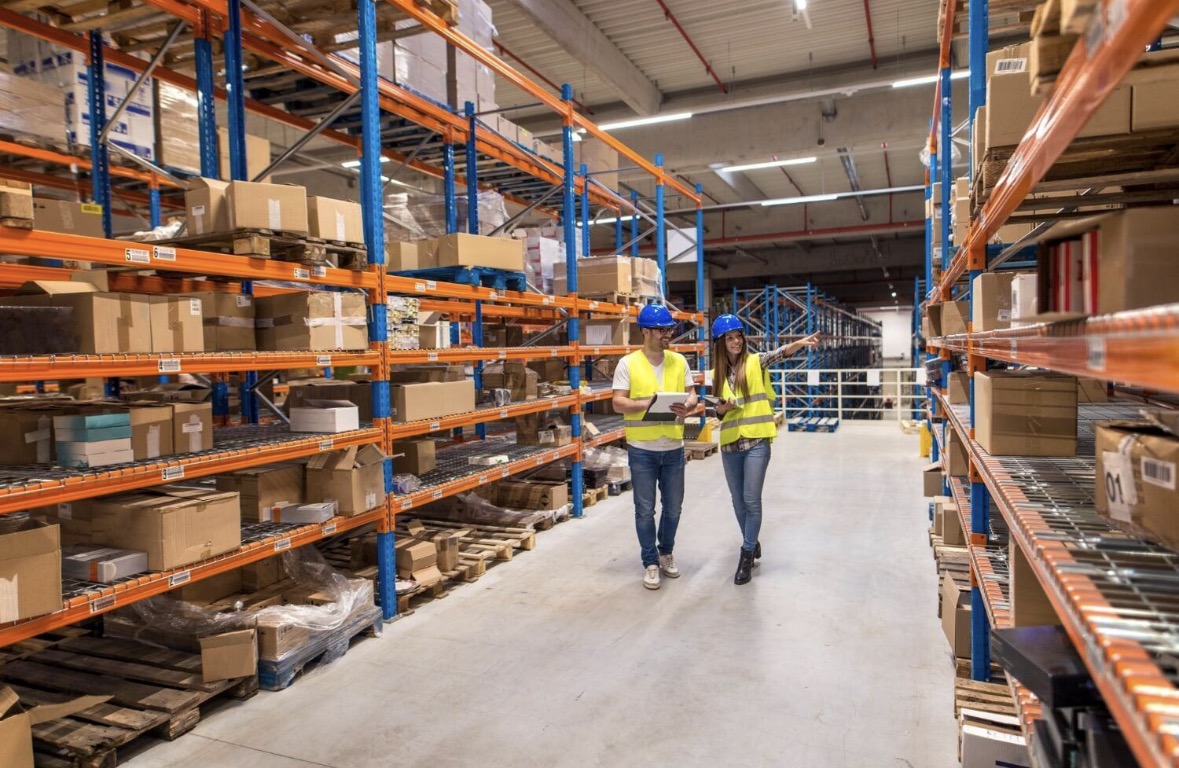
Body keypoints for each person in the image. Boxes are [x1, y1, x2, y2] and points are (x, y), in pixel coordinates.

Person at [711, 314, 820, 585]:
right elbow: (718, 413)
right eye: (730, 338)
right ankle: (751, 539)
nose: (736, 342)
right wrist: (721, 409)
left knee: (751, 499)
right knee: (737, 501)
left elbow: (779, 354)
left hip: (757, 440)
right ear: (721, 343)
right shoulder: (716, 373)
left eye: (738, 336)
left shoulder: (755, 361)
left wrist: (799, 343)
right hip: (730, 442)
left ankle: (747, 553)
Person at [613, 303, 699, 590]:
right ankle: (650, 562)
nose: (667, 334)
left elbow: (692, 394)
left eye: (669, 329)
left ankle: (666, 552)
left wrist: (689, 406)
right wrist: (646, 404)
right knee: (644, 510)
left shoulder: (679, 361)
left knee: (673, 508)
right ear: (646, 332)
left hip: (673, 446)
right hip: (642, 449)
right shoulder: (628, 363)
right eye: (661, 330)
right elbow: (618, 402)